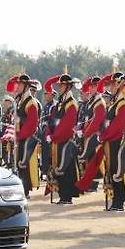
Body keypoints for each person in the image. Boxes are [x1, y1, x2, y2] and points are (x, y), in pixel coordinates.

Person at [97, 72, 125, 211]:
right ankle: (116, 200)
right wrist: (102, 133)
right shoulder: (115, 102)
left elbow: (117, 125)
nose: (111, 86)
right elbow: (107, 122)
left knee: (117, 171)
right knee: (111, 170)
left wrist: (104, 135)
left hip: (117, 140)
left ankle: (118, 202)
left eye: (114, 84)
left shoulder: (123, 103)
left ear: (120, 85)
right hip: (110, 140)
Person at [44, 74, 80, 204]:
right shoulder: (60, 102)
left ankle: (67, 196)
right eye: (59, 85)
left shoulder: (71, 103)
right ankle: (62, 194)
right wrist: (48, 133)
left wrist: (53, 136)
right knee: (57, 167)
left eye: (62, 85)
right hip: (56, 140)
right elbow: (52, 120)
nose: (59, 87)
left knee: (66, 169)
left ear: (68, 86)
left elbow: (67, 124)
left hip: (65, 140)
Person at [7, 74, 40, 197]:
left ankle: (25, 190)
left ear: (26, 86)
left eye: (20, 85)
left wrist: (20, 135)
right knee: (18, 164)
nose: (18, 87)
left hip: (25, 137)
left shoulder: (31, 102)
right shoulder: (19, 100)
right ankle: (21, 189)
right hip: (18, 136)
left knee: (23, 164)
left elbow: (32, 123)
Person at [75, 76, 106, 194]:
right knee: (88, 159)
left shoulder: (99, 102)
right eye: (91, 86)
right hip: (88, 133)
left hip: (96, 134)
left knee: (92, 159)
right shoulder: (91, 101)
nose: (91, 88)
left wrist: (85, 132)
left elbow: (97, 121)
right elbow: (86, 119)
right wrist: (81, 129)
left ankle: (93, 183)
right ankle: (88, 182)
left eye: (94, 86)